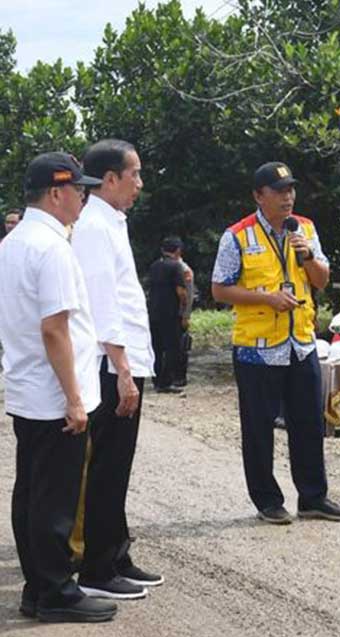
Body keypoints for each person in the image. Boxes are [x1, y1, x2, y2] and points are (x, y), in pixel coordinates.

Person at [0, 152, 115, 622]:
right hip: (54, 396)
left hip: (28, 388)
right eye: (78, 190)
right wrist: (74, 398)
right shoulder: (52, 248)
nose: (83, 197)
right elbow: (54, 329)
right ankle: (53, 592)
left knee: (30, 491)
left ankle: (37, 586)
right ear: (55, 192)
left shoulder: (13, 243)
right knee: (54, 499)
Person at [211, 161, 340, 525]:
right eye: (279, 191)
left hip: (301, 343)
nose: (288, 197)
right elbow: (219, 288)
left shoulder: (304, 228)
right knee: (259, 428)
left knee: (308, 423)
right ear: (259, 196)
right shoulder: (237, 235)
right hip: (257, 348)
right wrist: (266, 297)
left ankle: (313, 498)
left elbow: (321, 280)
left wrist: (306, 254)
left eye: (291, 189)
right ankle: (267, 500)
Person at [72, 139, 162, 600]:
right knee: (106, 466)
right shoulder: (92, 226)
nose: (140, 184)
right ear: (109, 179)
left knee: (118, 465)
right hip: (111, 365)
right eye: (135, 175)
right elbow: (102, 305)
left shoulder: (112, 222)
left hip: (123, 361)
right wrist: (123, 368)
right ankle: (97, 568)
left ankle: (116, 553)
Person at [147, 236, 188, 393]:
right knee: (172, 348)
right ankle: (167, 381)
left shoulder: (154, 266)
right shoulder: (176, 266)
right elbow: (181, 291)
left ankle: (156, 380)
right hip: (170, 313)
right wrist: (184, 308)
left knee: (156, 347)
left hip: (153, 312)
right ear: (177, 251)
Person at [175, 254, 196, 387]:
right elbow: (187, 294)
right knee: (179, 347)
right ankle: (178, 377)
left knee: (179, 347)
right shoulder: (181, 268)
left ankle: (177, 377)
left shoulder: (182, 269)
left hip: (173, 314)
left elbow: (187, 294)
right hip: (176, 314)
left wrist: (186, 315)